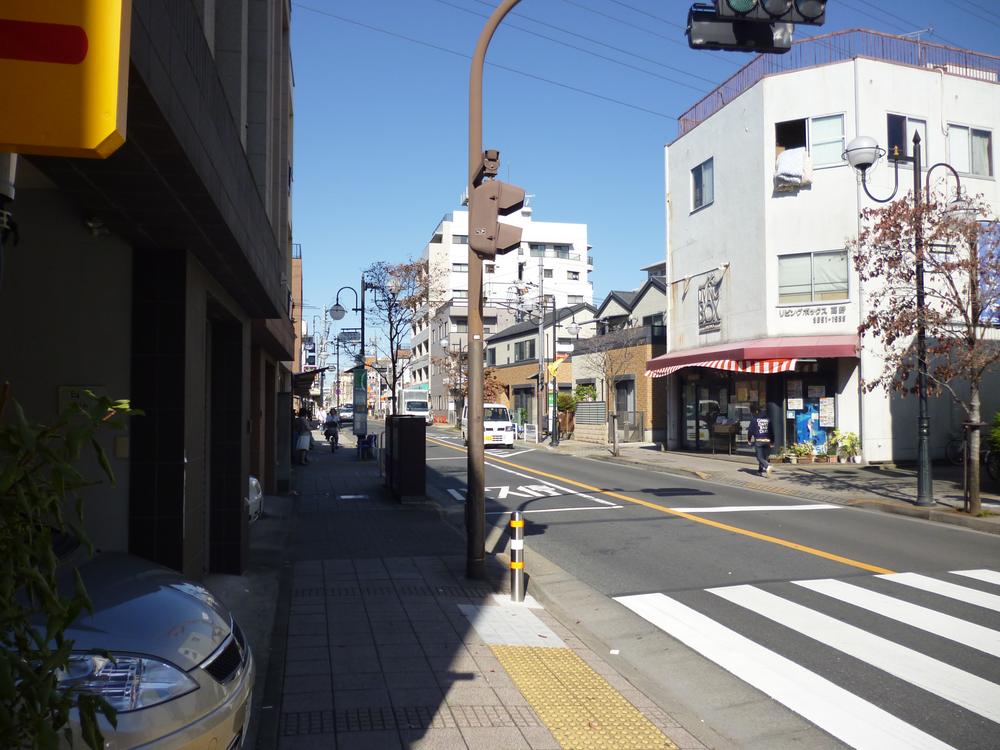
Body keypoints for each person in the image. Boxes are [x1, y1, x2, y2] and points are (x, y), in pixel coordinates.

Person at [747, 406, 774, 477]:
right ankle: (760, 471)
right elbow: (771, 431)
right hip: (767, 441)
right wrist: (772, 441)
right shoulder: (768, 420)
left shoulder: (754, 419)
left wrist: (749, 439)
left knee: (759, 457)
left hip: (759, 440)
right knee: (764, 457)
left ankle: (767, 466)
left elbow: (750, 430)